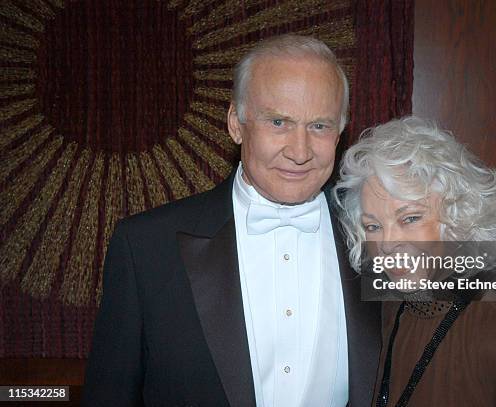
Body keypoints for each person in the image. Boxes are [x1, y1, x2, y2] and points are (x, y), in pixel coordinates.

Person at [82, 35, 381, 407]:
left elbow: (466, 296)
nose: (300, 151)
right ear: (236, 125)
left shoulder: (379, 235)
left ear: (340, 132)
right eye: (278, 122)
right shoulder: (145, 247)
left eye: (319, 126)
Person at [332, 116, 496, 406]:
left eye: (410, 219)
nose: (386, 244)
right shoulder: (389, 314)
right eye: (372, 226)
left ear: (458, 220)